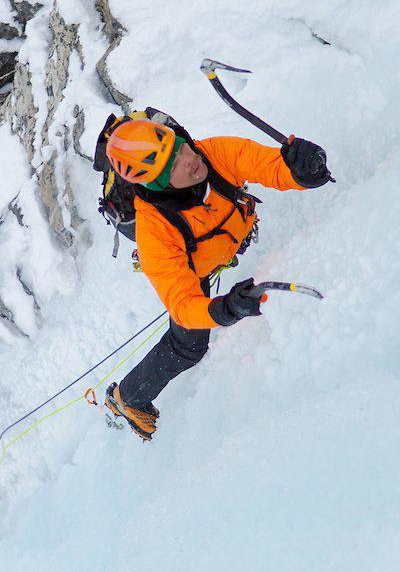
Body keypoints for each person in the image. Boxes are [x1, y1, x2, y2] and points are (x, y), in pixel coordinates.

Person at [102, 118, 330, 439]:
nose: (189, 159)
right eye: (173, 166)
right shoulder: (155, 232)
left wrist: (307, 170)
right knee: (189, 348)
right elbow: (183, 305)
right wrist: (223, 309)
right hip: (193, 268)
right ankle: (128, 398)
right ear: (157, 184)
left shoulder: (215, 154)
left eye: (181, 147)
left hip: (223, 238)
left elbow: (270, 167)